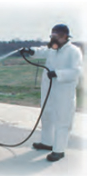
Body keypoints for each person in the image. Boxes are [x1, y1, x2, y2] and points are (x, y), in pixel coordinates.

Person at [21, 24, 83, 162]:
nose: (53, 39)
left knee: (62, 121)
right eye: (52, 36)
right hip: (49, 90)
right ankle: (47, 142)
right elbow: (43, 51)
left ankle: (59, 150)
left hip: (63, 93)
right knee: (47, 116)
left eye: (56, 36)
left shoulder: (74, 51)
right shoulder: (53, 49)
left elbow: (76, 72)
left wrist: (58, 74)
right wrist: (31, 51)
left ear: (65, 36)